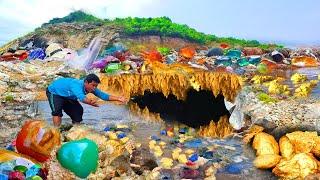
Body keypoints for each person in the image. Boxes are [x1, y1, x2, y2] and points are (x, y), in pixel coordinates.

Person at [46, 74, 127, 126]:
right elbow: (82, 98)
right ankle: (56, 131)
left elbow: (103, 96)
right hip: (55, 92)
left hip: (69, 96)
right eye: (93, 85)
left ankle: (75, 129)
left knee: (78, 111)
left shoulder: (92, 88)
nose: (94, 88)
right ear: (86, 82)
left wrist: (118, 98)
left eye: (96, 86)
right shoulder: (76, 85)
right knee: (57, 112)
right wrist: (90, 103)